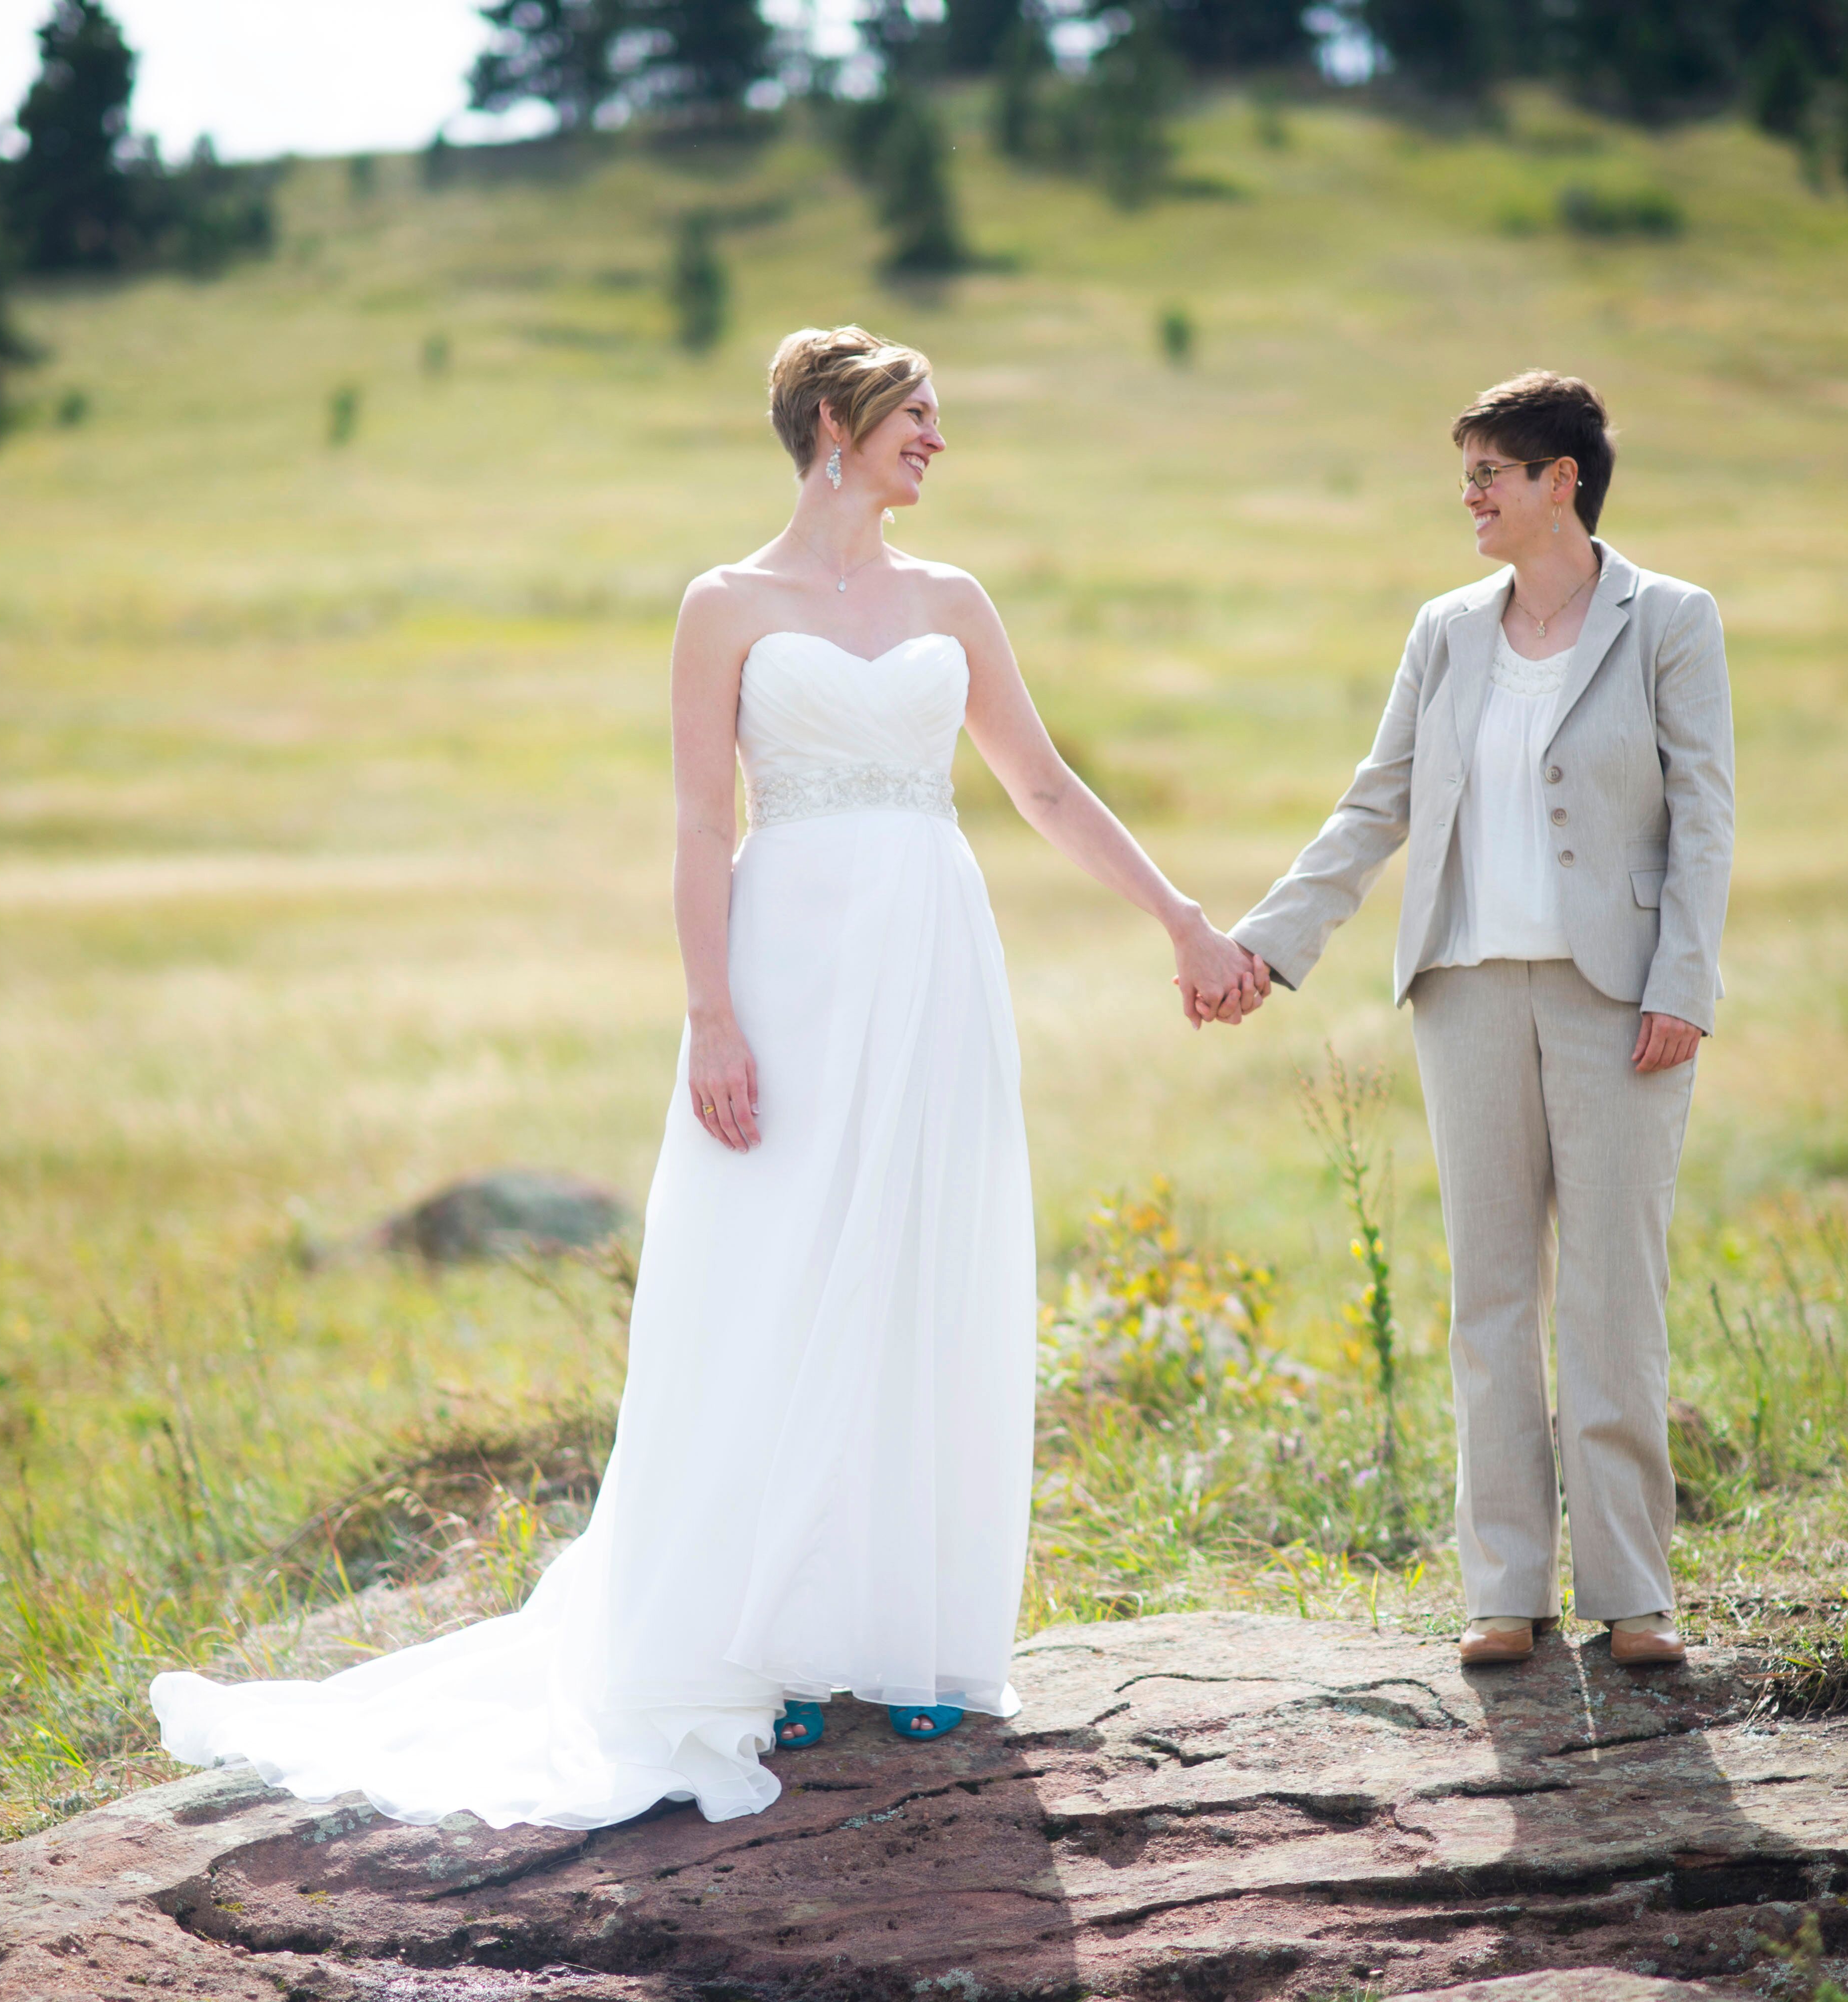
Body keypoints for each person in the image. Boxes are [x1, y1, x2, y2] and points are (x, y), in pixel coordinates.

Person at [150, 326, 1268, 1831]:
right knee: (777, 1276)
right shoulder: (724, 605)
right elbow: (696, 824)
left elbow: (1045, 787)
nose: (937, 444)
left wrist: (1184, 921)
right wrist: (711, 1016)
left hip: (935, 965)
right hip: (787, 968)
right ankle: (783, 1643)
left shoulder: (955, 601)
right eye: (915, 420)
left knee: (918, 1268)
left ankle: (913, 1634)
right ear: (832, 423)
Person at [1228, 370, 1733, 1671]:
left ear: (1562, 477)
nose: (1470, 498)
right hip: (1463, 992)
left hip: (1618, 1001)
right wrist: (1264, 947)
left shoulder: (1672, 620)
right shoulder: (1444, 632)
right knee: (1491, 1296)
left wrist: (1684, 982)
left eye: (1488, 475)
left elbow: (1705, 818)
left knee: (1614, 1296)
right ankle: (1504, 1589)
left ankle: (1635, 1596)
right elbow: (1373, 806)